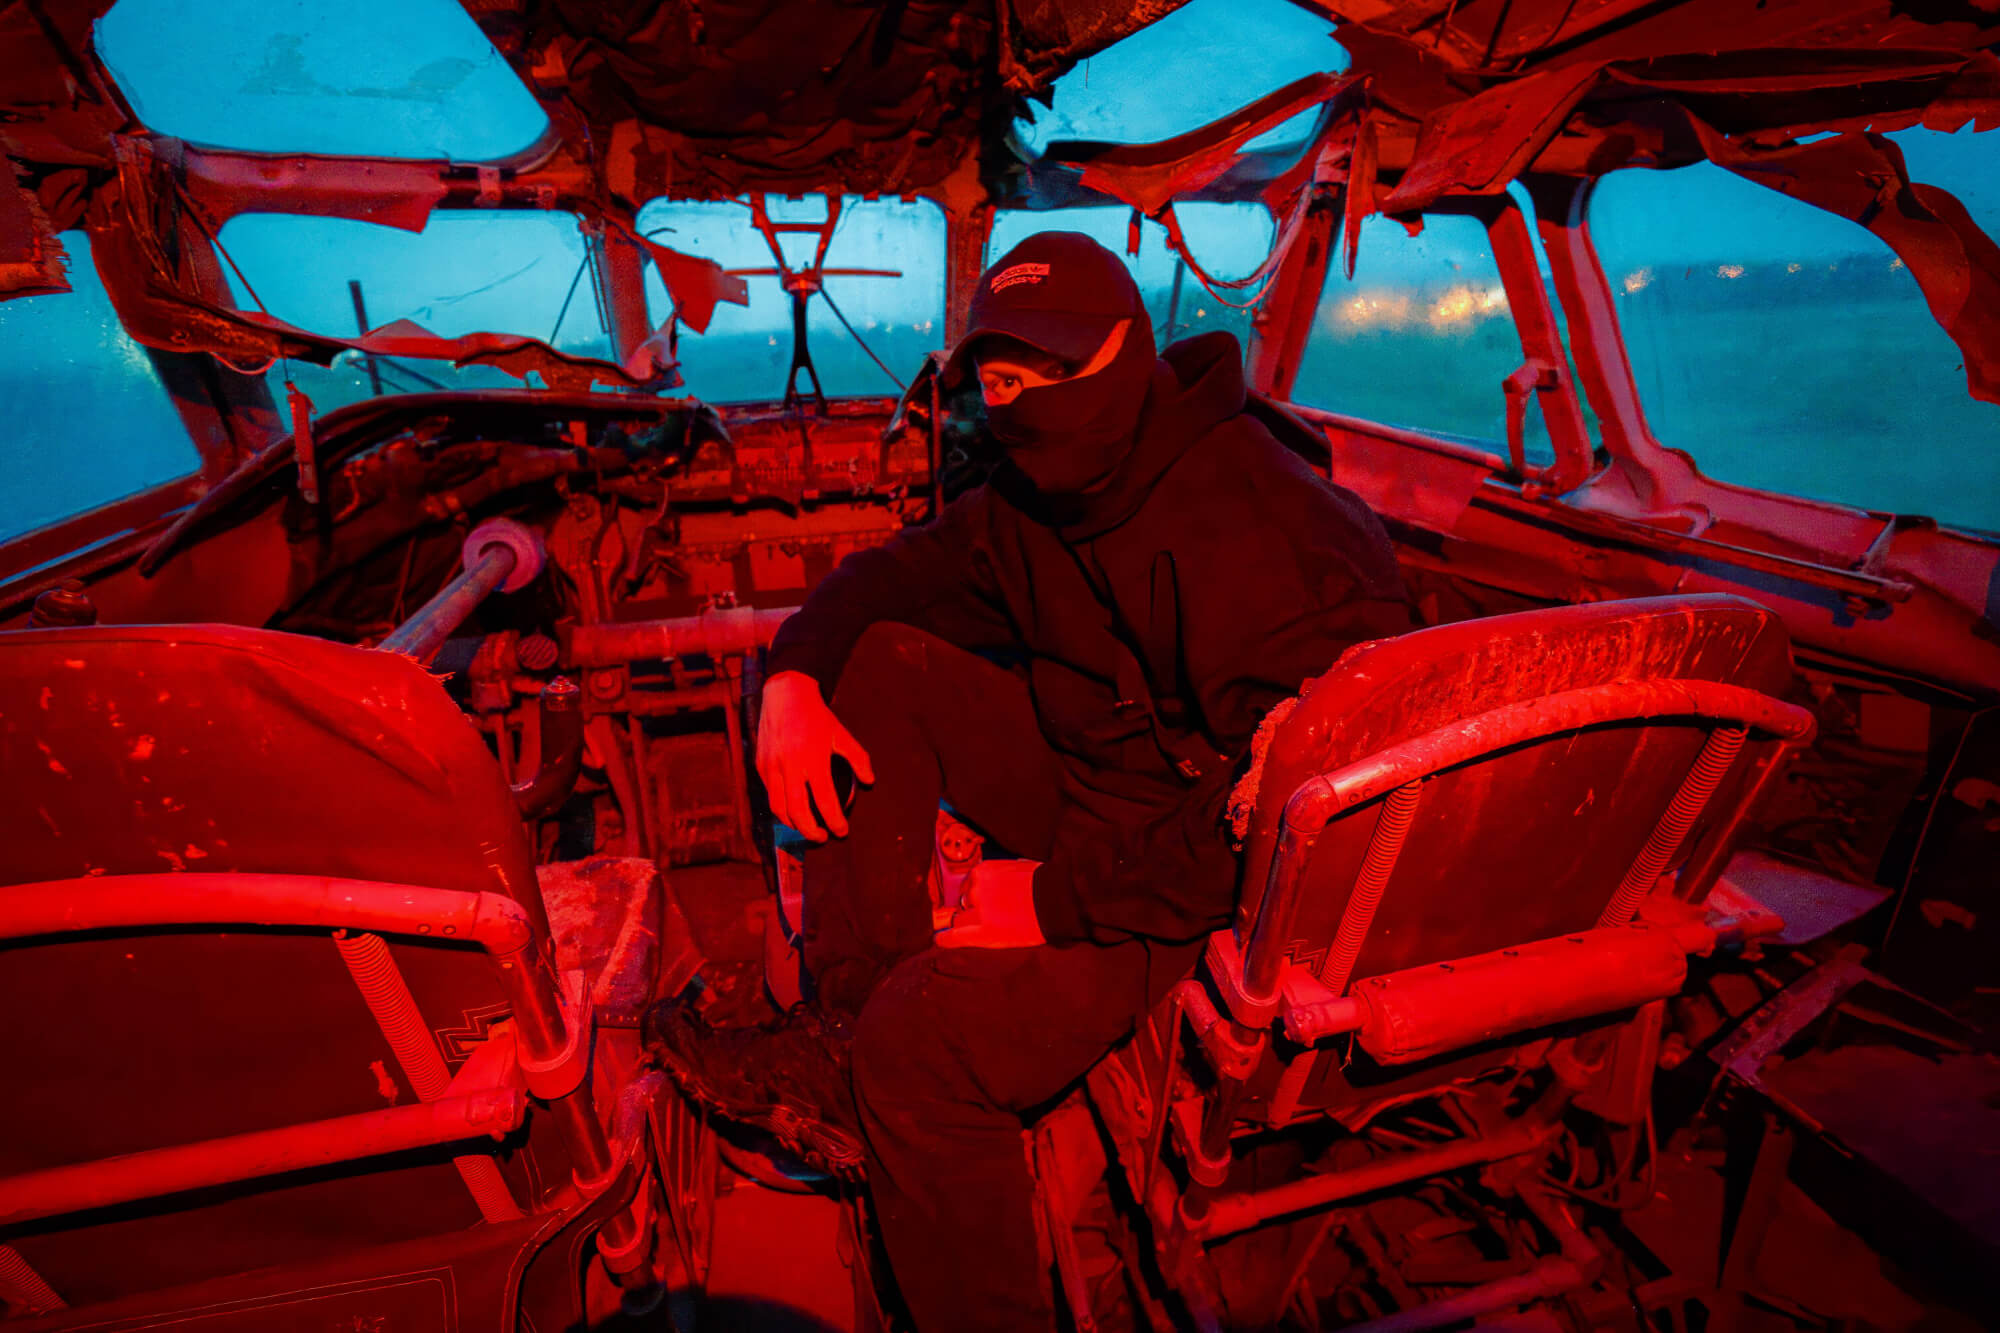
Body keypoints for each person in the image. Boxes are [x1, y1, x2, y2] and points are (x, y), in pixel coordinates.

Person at [647, 231, 1415, 1330]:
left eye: (1042, 375)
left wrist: (1047, 901)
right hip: (1092, 784)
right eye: (998, 382)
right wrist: (795, 676)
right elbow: (889, 577)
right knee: (879, 657)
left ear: (1120, 352)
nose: (1016, 405)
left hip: (1203, 874)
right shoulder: (1028, 506)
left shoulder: (1265, 528)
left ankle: (910, 1120)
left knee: (924, 1043)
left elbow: (1298, 812)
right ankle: (839, 1035)